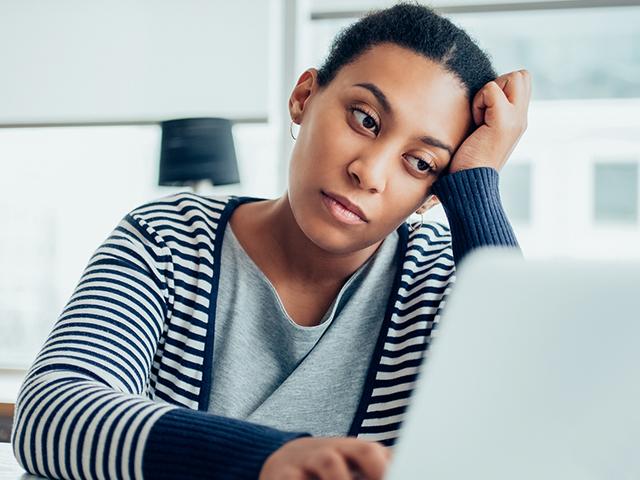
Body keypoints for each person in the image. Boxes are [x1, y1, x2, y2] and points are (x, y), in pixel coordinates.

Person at [11, 3, 530, 479]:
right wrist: (267, 458)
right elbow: (49, 414)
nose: (368, 173)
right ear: (304, 97)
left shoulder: (442, 281)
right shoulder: (167, 239)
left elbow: (528, 428)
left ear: (432, 194)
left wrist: (477, 183)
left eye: (421, 163)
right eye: (365, 119)